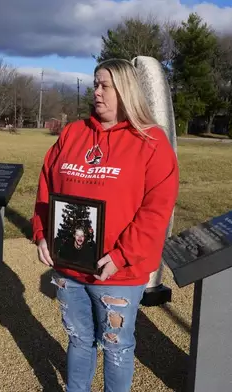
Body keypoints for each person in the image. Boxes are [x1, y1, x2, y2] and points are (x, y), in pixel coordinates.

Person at [31, 58, 179, 391]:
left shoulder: (151, 141)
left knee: (116, 346)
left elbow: (157, 209)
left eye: (104, 86)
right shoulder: (73, 134)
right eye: (95, 84)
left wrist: (122, 255)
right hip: (69, 266)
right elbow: (46, 187)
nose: (96, 92)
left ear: (126, 90)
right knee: (79, 339)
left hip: (118, 273)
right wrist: (42, 234)